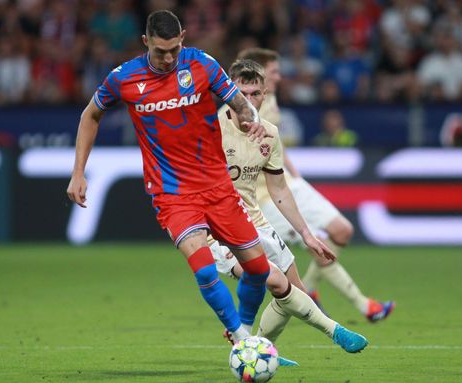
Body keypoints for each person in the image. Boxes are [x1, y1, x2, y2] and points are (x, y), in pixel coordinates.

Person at [65, 11, 366, 356]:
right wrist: (78, 172)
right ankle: (242, 340)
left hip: (218, 188)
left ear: (184, 38)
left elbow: (237, 100)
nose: (168, 59)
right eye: (160, 51)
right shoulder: (124, 78)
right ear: (146, 42)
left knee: (257, 269)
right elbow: (91, 114)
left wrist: (248, 116)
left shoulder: (201, 65)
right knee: (204, 266)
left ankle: (248, 329)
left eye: (174, 50)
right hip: (173, 192)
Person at [211, 59, 368, 353]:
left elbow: (279, 189)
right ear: (228, 92)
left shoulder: (268, 132)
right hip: (217, 226)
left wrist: (307, 235)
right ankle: (334, 330)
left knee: (297, 293)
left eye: (255, 93)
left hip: (254, 221)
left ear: (265, 94)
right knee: (272, 278)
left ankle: (258, 349)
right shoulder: (211, 130)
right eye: (241, 93)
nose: (248, 100)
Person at [238, 47, 394, 322]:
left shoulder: (270, 102)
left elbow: (274, 143)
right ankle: (363, 305)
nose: (280, 76)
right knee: (316, 245)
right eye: (274, 71)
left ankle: (310, 288)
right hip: (265, 197)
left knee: (342, 230)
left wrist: (293, 172)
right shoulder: (240, 110)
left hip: (287, 182)